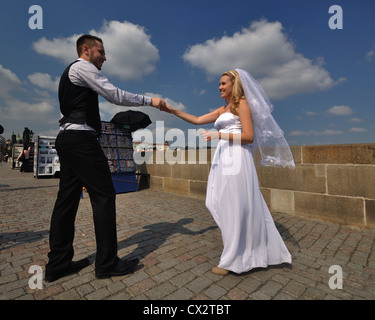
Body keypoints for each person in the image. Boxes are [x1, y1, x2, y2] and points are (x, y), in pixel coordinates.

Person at [45, 34, 167, 282]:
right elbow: (115, 95)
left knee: (66, 202)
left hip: (67, 138)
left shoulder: (67, 74)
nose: (104, 56)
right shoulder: (83, 67)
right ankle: (107, 263)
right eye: (100, 51)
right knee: (104, 195)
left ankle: (58, 264)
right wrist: (149, 100)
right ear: (86, 49)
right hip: (81, 141)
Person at [163, 69, 294, 275]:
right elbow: (197, 120)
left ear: (235, 84)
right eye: (219, 84)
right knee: (213, 201)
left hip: (237, 157)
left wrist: (219, 134)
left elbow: (249, 136)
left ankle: (233, 260)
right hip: (222, 157)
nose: (219, 87)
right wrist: (172, 111)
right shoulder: (223, 109)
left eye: (223, 83)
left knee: (234, 205)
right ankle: (242, 247)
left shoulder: (242, 104)